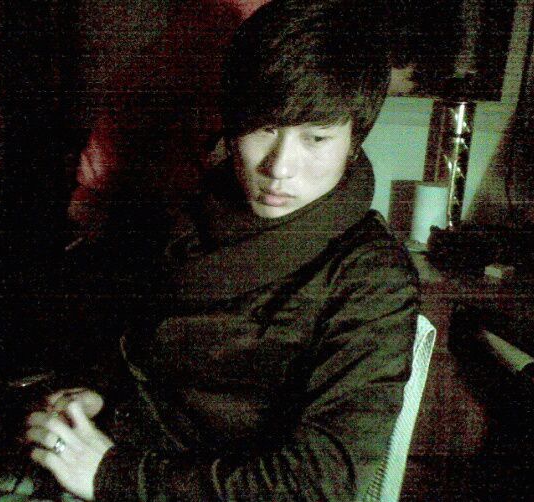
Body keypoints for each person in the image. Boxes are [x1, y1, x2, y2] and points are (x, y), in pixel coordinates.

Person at [26, 1, 420, 500]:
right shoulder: (196, 213)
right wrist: (100, 396)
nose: (279, 167)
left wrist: (112, 475)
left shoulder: (370, 275)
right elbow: (153, 353)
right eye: (264, 128)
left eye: (316, 138)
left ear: (353, 141)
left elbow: (321, 482)